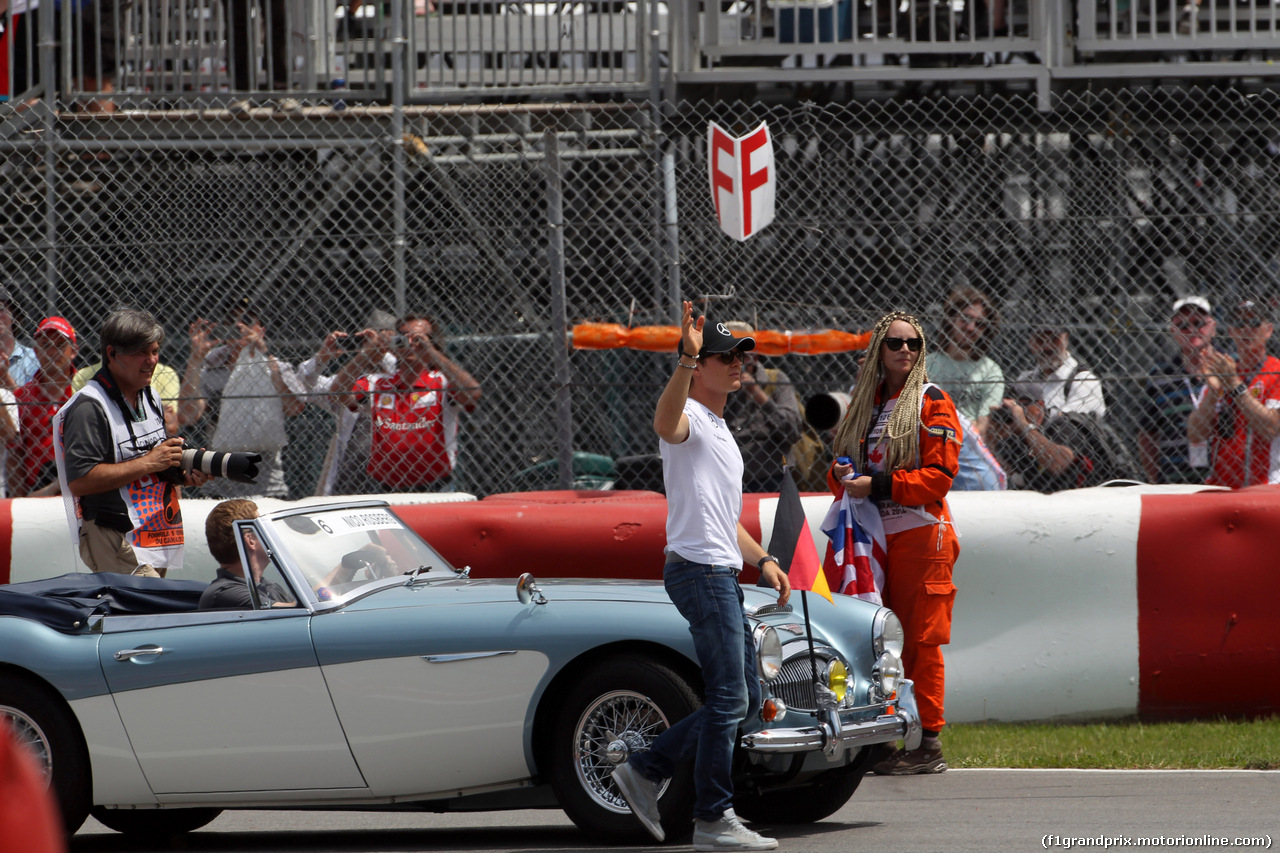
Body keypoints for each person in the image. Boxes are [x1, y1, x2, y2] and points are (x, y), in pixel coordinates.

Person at [610, 306, 790, 852]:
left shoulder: (720, 427)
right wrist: (686, 358)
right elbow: (664, 424)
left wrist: (763, 559)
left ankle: (646, 769)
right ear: (700, 362)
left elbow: (724, 517)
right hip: (699, 571)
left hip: (719, 570)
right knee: (731, 696)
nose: (739, 364)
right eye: (725, 356)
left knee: (747, 693)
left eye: (743, 355)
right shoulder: (686, 414)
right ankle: (712, 817)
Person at [830, 311, 961, 776]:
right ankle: (882, 739)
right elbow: (838, 471)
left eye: (914, 343)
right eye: (895, 343)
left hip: (921, 537)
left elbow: (939, 478)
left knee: (920, 643)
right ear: (877, 352)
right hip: (872, 539)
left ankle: (928, 743)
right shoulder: (863, 406)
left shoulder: (933, 401)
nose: (905, 349)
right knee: (875, 643)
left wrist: (878, 485)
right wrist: (844, 475)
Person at [52, 309, 209, 577]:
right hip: (116, 537)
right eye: (141, 353)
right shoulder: (89, 406)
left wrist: (183, 473)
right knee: (148, 613)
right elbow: (80, 480)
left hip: (154, 533)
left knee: (151, 615)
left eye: (155, 351)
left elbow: (152, 465)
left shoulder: (150, 396)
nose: (151, 361)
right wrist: (150, 461)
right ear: (112, 354)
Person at [329, 311, 482, 494]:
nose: (411, 344)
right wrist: (365, 355)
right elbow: (337, 395)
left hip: (435, 488)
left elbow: (472, 393)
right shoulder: (378, 382)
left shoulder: (441, 382)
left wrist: (431, 353)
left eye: (419, 339)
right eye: (404, 338)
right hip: (383, 487)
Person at [195, 300, 305, 499]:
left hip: (266, 486)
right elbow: (190, 414)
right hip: (219, 485)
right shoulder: (210, 369)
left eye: (246, 320)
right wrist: (194, 359)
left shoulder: (275, 366)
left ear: (260, 330)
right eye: (230, 321)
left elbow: (294, 407)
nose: (238, 326)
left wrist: (265, 354)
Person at [295, 310, 397, 496]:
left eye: (385, 343)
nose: (377, 348)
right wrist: (321, 358)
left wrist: (382, 354)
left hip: (393, 479)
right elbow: (302, 388)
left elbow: (397, 375)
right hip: (349, 482)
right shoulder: (349, 382)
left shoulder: (403, 380)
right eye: (370, 342)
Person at [1186, 299, 1280, 488]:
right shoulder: (1224, 371)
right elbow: (1195, 435)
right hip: (1223, 488)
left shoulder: (1276, 371)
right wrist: (1214, 391)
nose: (1246, 329)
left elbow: (1270, 429)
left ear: (1268, 330)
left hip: (1265, 486)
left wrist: (1235, 385)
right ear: (1230, 331)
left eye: (1254, 323)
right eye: (1239, 324)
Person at [1137, 296, 1216, 484]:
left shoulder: (1232, 367)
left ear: (1213, 326)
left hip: (1226, 478)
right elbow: (1148, 434)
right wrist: (1154, 482)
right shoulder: (1161, 376)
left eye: (1198, 323)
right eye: (1183, 326)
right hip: (1175, 483)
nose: (1192, 330)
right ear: (1173, 331)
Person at [987, 389, 1131, 492]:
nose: (1019, 411)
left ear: (1040, 407)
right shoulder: (1015, 440)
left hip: (1107, 493)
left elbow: (1060, 463)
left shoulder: (1062, 425)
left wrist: (1024, 425)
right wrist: (994, 434)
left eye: (1023, 405)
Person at [721, 320, 803, 493]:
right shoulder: (716, 384)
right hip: (725, 476)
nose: (735, 361)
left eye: (742, 353)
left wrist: (758, 394)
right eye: (728, 354)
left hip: (770, 477)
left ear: (755, 356)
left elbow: (793, 431)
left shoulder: (775, 379)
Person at [9, 316, 79, 497]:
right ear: (36, 351)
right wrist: (19, 503)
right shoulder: (21, 397)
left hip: (82, 485)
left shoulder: (85, 390)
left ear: (73, 351)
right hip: (38, 490)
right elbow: (14, 456)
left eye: (59, 345)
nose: (52, 352)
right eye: (46, 345)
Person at [927, 287, 1005, 440]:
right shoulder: (925, 364)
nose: (971, 328)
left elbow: (983, 426)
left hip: (970, 447)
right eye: (965, 319)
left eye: (980, 324)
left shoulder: (990, 371)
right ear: (951, 319)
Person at [199, 498, 296, 609]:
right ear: (251, 540)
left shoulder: (270, 587)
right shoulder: (225, 593)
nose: (271, 533)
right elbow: (296, 612)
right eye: (262, 528)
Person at [1011, 324, 1106, 418]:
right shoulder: (1025, 379)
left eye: (1054, 339)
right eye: (1040, 340)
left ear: (1066, 340)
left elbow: (1069, 427)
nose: (1047, 347)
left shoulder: (1084, 381)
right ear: (1031, 343)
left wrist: (1023, 417)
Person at [0, 288, 38, 388]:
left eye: (1, 309)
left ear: (13, 315)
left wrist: (4, 378)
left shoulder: (33, 359)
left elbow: (32, 403)